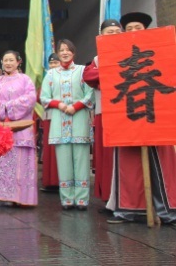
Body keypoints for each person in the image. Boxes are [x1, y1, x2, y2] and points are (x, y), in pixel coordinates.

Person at [107, 12, 176, 224]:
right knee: (129, 165)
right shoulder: (114, 52)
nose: (133, 32)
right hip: (127, 116)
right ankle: (130, 210)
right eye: (129, 29)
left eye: (138, 28)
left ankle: (168, 211)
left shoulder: (160, 48)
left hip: (156, 114)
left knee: (163, 165)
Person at [40, 39, 94, 210]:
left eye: (67, 50)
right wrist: (60, 105)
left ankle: (82, 199)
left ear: (73, 52)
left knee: (81, 161)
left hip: (79, 120)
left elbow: (90, 94)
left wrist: (76, 106)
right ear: (57, 53)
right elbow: (44, 97)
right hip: (59, 120)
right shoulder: (51, 74)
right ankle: (67, 199)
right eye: (61, 50)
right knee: (63, 162)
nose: (64, 52)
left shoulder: (82, 71)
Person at [0, 50, 37, 206]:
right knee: (4, 163)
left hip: (22, 129)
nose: (8, 63)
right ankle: (5, 196)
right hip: (3, 130)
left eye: (11, 60)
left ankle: (23, 199)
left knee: (22, 165)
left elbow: (30, 98)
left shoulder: (25, 80)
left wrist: (8, 106)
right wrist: (6, 108)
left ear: (18, 62)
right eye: (5, 60)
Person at [82, 19, 122, 207]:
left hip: (126, 114)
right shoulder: (97, 59)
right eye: (109, 32)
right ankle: (109, 197)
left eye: (116, 31)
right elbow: (88, 76)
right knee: (107, 158)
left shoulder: (131, 53)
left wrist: (105, 75)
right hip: (104, 113)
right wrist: (111, 72)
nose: (113, 35)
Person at [40, 53, 61, 191]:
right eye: (51, 63)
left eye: (55, 62)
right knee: (49, 149)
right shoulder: (47, 77)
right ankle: (49, 181)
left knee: (59, 149)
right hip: (49, 116)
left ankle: (59, 181)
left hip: (62, 115)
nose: (53, 65)